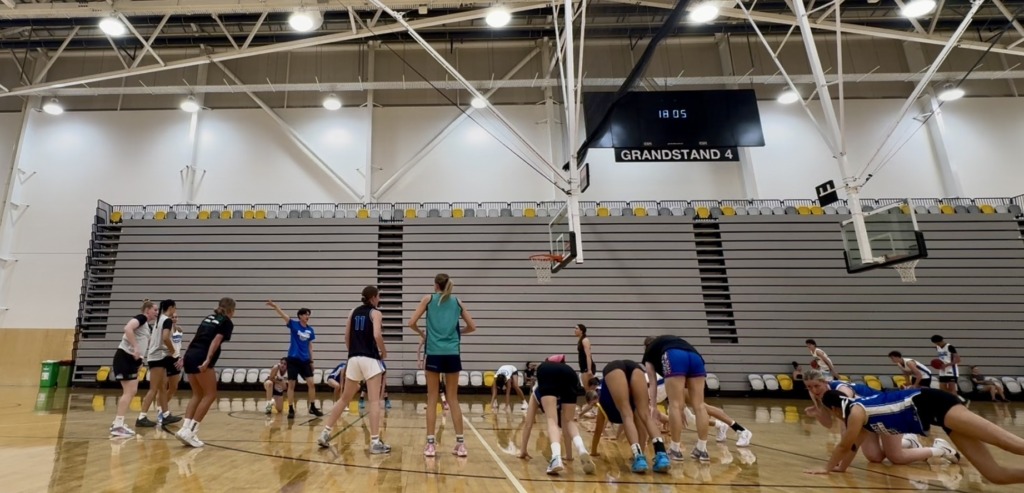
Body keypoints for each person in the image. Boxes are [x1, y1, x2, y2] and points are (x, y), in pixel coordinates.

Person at [810, 387, 1024, 485]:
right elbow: (853, 446)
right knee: (995, 475)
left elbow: (844, 445)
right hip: (938, 416)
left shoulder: (856, 412)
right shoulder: (861, 417)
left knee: (1009, 443)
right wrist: (841, 468)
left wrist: (826, 468)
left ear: (834, 409)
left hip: (936, 403)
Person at [803, 369, 953, 466]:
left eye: (816, 386)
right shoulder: (817, 395)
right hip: (866, 419)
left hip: (886, 412)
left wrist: (840, 456)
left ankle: (941, 449)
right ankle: (908, 441)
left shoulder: (841, 390)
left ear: (825, 382)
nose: (813, 390)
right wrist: (818, 413)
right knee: (875, 457)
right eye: (809, 387)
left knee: (896, 458)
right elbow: (829, 424)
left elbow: (847, 426)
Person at [408, 273, 477, 457]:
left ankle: (431, 445)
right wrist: (459, 333)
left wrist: (422, 334)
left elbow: (411, 323)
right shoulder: (457, 302)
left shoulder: (428, 300)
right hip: (452, 353)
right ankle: (460, 445)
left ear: (435, 285)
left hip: (434, 353)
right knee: (453, 399)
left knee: (432, 398)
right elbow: (472, 326)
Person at [317, 286, 390, 454]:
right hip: (370, 359)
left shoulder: (353, 312)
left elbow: (346, 336)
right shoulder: (376, 313)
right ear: (373, 297)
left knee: (344, 399)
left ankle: (325, 433)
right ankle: (375, 442)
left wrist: (353, 353)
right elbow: (377, 335)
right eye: (378, 296)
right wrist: (384, 351)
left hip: (353, 359)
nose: (379, 299)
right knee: (374, 401)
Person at [587, 360, 671, 473]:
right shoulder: (630, 407)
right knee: (646, 415)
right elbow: (641, 430)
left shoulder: (603, 405)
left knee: (627, 415)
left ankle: (639, 457)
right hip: (635, 367)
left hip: (613, 369)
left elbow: (598, 430)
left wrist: (593, 451)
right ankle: (662, 455)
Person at [518, 355, 595, 475]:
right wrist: (569, 456)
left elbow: (528, 424)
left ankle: (556, 458)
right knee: (569, 421)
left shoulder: (537, 391)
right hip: (570, 373)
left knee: (552, 420)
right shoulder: (563, 378)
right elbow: (565, 428)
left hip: (547, 371)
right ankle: (581, 448)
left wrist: (523, 450)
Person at [175, 297, 236, 448]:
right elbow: (216, 341)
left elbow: (195, 337)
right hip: (201, 356)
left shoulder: (208, 318)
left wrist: (184, 356)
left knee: (197, 394)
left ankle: (184, 428)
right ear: (231, 310)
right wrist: (208, 359)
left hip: (191, 355)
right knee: (210, 394)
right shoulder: (227, 322)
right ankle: (191, 431)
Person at [642, 335, 709, 462]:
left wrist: (654, 407)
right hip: (695, 356)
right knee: (700, 406)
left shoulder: (649, 353)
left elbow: (652, 382)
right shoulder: (668, 341)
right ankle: (702, 449)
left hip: (674, 356)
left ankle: (675, 450)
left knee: (674, 405)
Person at [265, 301, 322, 418]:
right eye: (305, 314)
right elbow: (283, 316)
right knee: (291, 385)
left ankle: (312, 406)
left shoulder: (310, 330)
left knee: (311, 384)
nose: (307, 316)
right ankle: (291, 408)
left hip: (305, 360)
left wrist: (312, 361)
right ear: (300, 316)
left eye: (308, 314)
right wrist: (275, 307)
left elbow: (310, 346)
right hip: (293, 359)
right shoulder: (294, 325)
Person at [110, 300, 158, 437]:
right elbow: (127, 328)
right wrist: (136, 347)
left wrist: (140, 360)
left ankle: (117, 422)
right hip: (125, 357)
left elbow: (144, 343)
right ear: (147, 310)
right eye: (155, 310)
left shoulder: (147, 326)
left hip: (132, 360)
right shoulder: (141, 318)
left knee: (132, 391)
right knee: (129, 392)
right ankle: (118, 425)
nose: (156, 312)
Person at [138, 300, 184, 427]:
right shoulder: (166, 320)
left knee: (162, 387)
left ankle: (165, 414)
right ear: (171, 307)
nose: (175, 310)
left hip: (159, 357)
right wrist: (173, 351)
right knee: (153, 388)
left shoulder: (159, 319)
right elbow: (165, 338)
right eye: (175, 308)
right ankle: (142, 417)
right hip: (157, 357)